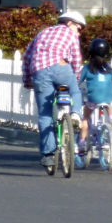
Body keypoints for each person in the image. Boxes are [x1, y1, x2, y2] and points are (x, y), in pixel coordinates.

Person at [22, 10, 86, 168]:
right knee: (75, 91)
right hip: (61, 68)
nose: (79, 33)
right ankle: (75, 114)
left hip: (40, 72)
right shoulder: (70, 34)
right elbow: (76, 58)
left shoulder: (42, 33)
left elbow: (27, 56)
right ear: (69, 23)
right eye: (78, 28)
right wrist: (76, 77)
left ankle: (48, 155)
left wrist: (27, 80)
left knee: (45, 115)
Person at [76, 38, 112, 153]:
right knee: (108, 102)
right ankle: (111, 118)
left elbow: (78, 80)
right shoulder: (108, 67)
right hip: (109, 95)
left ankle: (82, 142)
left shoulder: (88, 67)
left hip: (94, 98)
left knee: (85, 117)